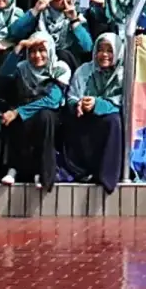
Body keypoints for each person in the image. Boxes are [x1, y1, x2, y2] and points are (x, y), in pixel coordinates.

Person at [0, 31, 70, 190]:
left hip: (51, 112)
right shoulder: (22, 67)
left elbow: (53, 100)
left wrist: (19, 112)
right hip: (26, 106)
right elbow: (4, 74)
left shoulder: (60, 68)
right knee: (12, 117)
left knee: (43, 117)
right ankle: (13, 169)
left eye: (41, 50)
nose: (37, 55)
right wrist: (19, 47)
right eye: (32, 51)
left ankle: (42, 172)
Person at [59, 33, 126, 193]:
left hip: (108, 117)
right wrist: (78, 104)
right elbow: (72, 96)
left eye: (109, 50)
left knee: (113, 121)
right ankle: (77, 171)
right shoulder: (84, 70)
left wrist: (98, 104)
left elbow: (124, 101)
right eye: (100, 50)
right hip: (86, 116)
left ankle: (107, 178)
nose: (104, 55)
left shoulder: (124, 74)